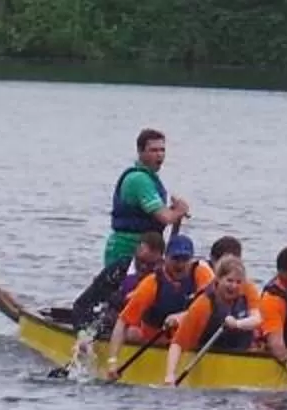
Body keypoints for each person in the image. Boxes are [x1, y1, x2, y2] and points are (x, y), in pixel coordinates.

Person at [63, 128, 192, 326]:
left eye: (162, 150)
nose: (159, 155)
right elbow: (165, 217)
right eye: (153, 150)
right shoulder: (138, 180)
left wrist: (177, 214)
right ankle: (104, 330)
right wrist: (179, 209)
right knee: (121, 298)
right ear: (140, 152)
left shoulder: (150, 179)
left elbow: (168, 224)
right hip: (125, 249)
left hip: (148, 250)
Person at [105, 232, 214, 370]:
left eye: (185, 259)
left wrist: (182, 317)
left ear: (191, 260)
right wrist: (112, 361)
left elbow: (213, 306)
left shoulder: (202, 273)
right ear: (165, 259)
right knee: (132, 332)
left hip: (189, 338)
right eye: (175, 258)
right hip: (155, 340)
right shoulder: (152, 284)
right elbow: (122, 322)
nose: (180, 265)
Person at [167, 255, 263, 371]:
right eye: (229, 280)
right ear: (218, 279)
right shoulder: (203, 304)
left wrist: (237, 324)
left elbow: (257, 319)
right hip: (208, 355)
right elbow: (177, 343)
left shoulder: (248, 290)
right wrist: (170, 375)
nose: (234, 286)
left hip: (240, 354)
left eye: (238, 282)